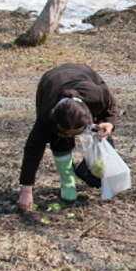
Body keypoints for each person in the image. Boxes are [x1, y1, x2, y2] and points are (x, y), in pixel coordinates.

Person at [18, 63, 119, 213]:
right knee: (59, 141)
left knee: (100, 137)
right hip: (50, 82)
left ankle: (91, 172)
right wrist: (26, 190)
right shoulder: (46, 118)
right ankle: (68, 184)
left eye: (77, 132)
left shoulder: (97, 95)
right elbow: (33, 150)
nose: (73, 137)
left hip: (83, 74)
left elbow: (111, 107)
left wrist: (109, 123)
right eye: (67, 133)